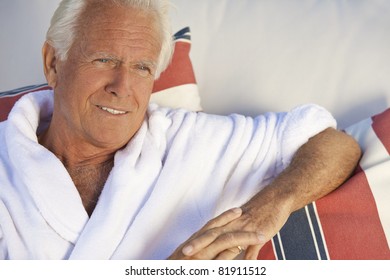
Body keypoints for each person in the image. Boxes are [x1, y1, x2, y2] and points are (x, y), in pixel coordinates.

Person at [0, 0, 360, 260]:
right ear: (53, 64)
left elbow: (332, 143)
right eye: (104, 59)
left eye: (142, 67)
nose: (122, 86)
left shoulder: (191, 141)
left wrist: (269, 207)